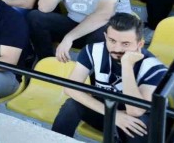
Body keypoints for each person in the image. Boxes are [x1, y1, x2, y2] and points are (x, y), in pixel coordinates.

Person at [52, 13, 167, 142]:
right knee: (71, 105)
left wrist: (127, 66)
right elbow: (70, 88)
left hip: (132, 119)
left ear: (140, 44)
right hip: (107, 111)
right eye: (112, 41)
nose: (117, 48)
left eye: (125, 44)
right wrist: (113, 115)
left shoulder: (154, 67)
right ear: (106, 37)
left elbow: (135, 110)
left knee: (138, 125)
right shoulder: (93, 50)